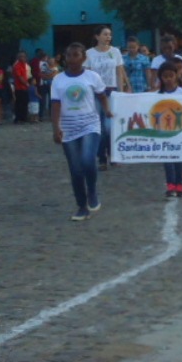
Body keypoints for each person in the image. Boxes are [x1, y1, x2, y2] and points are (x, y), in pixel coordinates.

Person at [51, 43, 112, 221]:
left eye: (76, 55)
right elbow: (55, 105)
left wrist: (107, 110)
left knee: (87, 159)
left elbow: (101, 95)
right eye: (68, 55)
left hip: (89, 125)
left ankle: (92, 190)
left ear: (84, 58)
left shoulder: (92, 76)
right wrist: (56, 128)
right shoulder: (58, 80)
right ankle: (81, 206)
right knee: (76, 170)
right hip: (68, 128)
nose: (72, 59)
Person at [84, 25, 130, 170]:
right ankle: (102, 157)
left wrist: (121, 91)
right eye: (105, 34)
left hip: (111, 91)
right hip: (96, 93)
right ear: (97, 36)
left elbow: (119, 72)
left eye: (109, 34)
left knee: (111, 126)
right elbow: (87, 75)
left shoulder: (115, 52)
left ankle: (113, 154)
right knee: (100, 127)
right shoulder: (89, 53)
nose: (108, 37)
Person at [156, 61, 182, 197]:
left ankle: (179, 184)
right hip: (164, 132)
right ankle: (170, 184)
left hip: (180, 131)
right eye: (165, 76)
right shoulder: (157, 95)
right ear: (161, 78)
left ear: (176, 76)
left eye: (171, 76)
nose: (168, 79)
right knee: (167, 159)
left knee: (179, 158)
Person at [12, 51, 32, 124]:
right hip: (19, 87)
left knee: (25, 103)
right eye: (21, 56)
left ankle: (23, 118)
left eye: (24, 56)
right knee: (19, 103)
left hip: (25, 87)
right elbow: (19, 76)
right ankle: (18, 118)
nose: (22, 58)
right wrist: (26, 83)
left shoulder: (25, 65)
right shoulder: (17, 66)